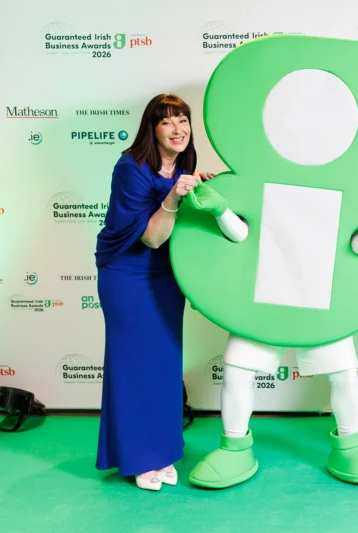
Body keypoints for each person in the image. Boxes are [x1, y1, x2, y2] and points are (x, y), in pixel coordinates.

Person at [94, 93, 244, 491]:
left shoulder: (185, 165)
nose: (178, 130)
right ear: (152, 128)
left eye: (183, 120)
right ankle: (137, 457)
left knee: (162, 365)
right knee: (132, 366)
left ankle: (160, 450)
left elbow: (184, 229)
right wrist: (174, 197)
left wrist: (200, 191)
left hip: (165, 278)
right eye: (167, 122)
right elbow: (153, 237)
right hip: (126, 274)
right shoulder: (130, 168)